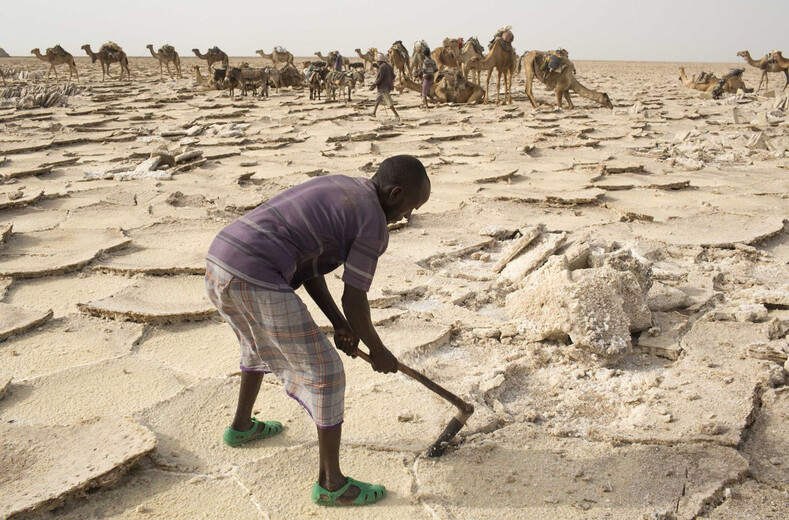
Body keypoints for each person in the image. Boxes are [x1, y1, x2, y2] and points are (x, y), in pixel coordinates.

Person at [205, 155, 431, 507]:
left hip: (221, 258)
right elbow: (355, 297)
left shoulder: (345, 186)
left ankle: (242, 426)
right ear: (396, 192)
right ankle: (332, 484)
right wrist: (379, 351)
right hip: (255, 272)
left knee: (254, 343)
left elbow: (311, 268)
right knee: (327, 373)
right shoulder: (373, 221)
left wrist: (340, 324)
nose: (407, 216)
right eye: (410, 208)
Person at [370, 53, 400, 120]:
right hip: (386, 86)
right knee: (378, 99)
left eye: (377, 61)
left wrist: (373, 85)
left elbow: (379, 78)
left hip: (383, 87)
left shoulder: (382, 67)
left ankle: (397, 115)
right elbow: (393, 76)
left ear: (379, 61)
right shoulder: (389, 66)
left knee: (388, 101)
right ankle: (374, 112)